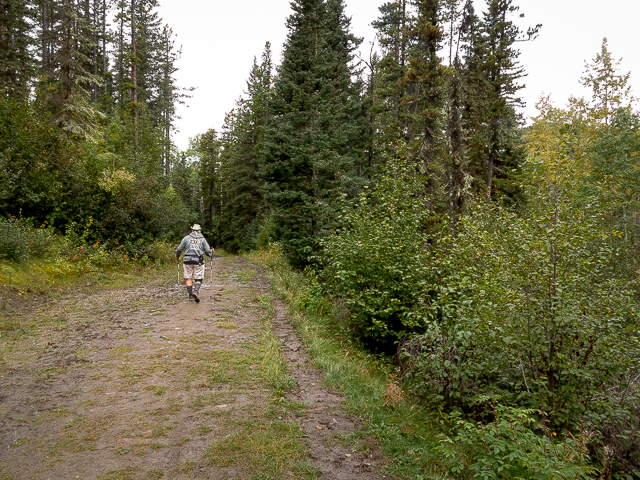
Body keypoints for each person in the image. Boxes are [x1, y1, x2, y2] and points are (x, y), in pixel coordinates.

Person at [175, 224, 213, 303]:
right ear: (200, 230)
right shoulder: (202, 239)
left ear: (192, 230)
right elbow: (208, 252)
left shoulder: (186, 238)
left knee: (188, 278)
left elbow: (179, 249)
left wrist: (177, 255)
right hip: (198, 261)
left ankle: (190, 296)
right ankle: (195, 292)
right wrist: (212, 251)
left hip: (187, 261)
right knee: (198, 278)